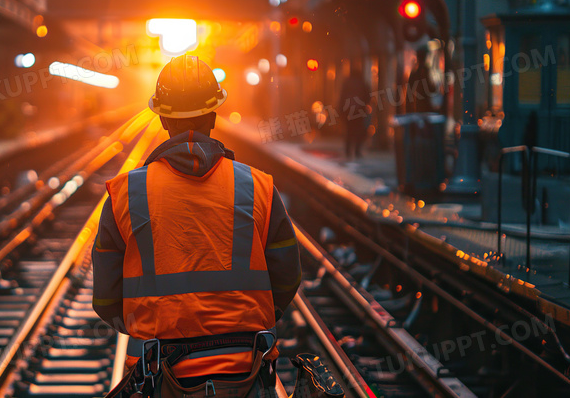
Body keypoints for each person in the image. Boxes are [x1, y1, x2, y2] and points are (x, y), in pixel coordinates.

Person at [93, 55, 301, 397]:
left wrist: (150, 322)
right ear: (214, 117)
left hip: (159, 373)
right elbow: (287, 277)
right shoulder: (258, 187)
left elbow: (105, 297)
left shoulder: (125, 194)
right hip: (245, 370)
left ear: (161, 119)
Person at [339, 68, 371, 160]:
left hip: (348, 110)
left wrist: (341, 110)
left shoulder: (347, 82)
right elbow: (368, 96)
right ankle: (357, 151)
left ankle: (348, 151)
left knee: (349, 131)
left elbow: (342, 96)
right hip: (359, 111)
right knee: (358, 131)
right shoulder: (363, 83)